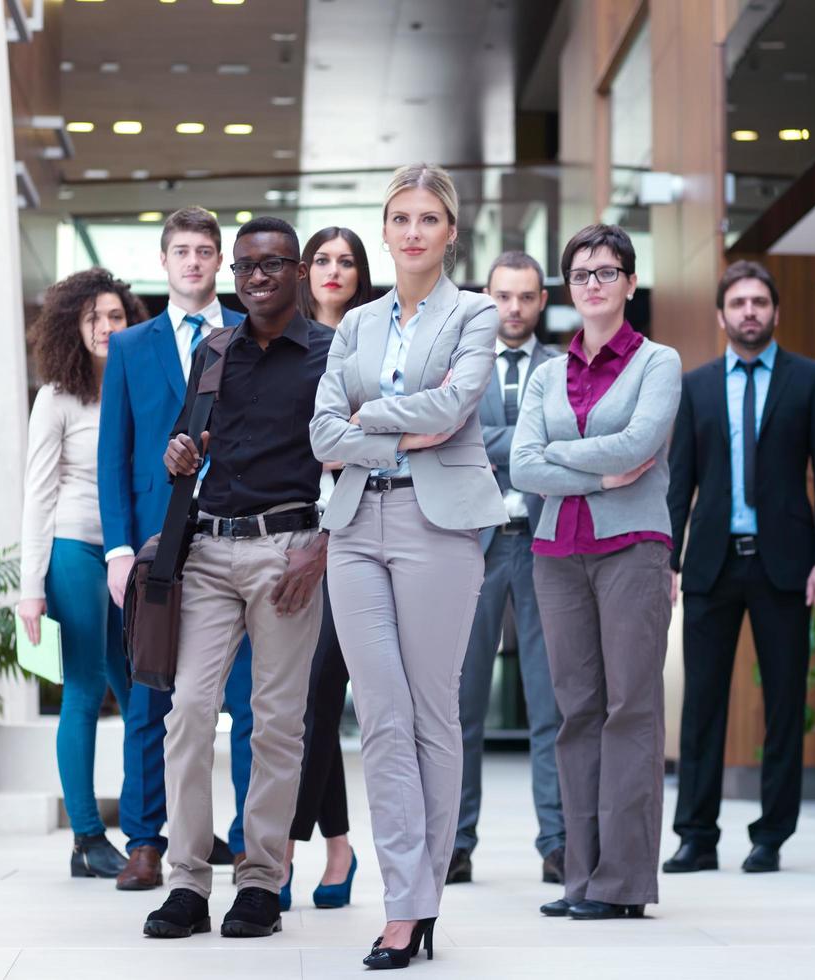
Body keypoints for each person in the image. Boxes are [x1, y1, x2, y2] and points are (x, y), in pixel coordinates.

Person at [311, 163, 507, 970]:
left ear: (450, 231)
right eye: (400, 218)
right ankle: (403, 906)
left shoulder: (476, 313)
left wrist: (371, 417)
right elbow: (323, 435)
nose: (414, 231)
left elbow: (455, 406)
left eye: (429, 218)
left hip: (440, 526)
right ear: (385, 230)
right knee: (381, 718)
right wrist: (393, 431)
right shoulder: (353, 325)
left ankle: (418, 905)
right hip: (354, 524)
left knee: (432, 717)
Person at [144, 217, 332, 941]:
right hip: (208, 553)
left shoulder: (328, 353)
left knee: (278, 723)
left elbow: (355, 461)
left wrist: (321, 546)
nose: (256, 277)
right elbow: (193, 445)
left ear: (297, 272)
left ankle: (259, 881)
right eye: (246, 267)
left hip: (287, 553)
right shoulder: (215, 349)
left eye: (272, 265)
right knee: (188, 712)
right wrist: (180, 454)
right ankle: (187, 882)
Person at [511, 223, 681, 922]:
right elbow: (521, 464)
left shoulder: (657, 362)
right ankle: (580, 877)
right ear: (566, 288)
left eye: (606, 272)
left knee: (629, 710)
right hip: (555, 553)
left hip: (633, 550)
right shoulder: (545, 373)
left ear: (630, 283)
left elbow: (641, 442)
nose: (593, 285)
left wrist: (562, 462)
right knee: (574, 713)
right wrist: (604, 477)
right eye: (580, 274)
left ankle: (623, 883)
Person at [663, 259, 815, 876]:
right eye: (738, 303)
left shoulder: (810, 379)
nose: (749, 312)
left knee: (785, 705)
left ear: (775, 312)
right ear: (721, 316)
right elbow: (679, 481)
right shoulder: (697, 386)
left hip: (787, 567)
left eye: (759, 302)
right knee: (702, 707)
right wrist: (668, 560)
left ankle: (771, 835)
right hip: (711, 566)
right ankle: (696, 836)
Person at [97, 207, 253, 890]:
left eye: (204, 251)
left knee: (248, 700)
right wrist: (118, 551)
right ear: (162, 262)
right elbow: (113, 457)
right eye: (181, 251)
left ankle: (251, 844)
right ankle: (144, 840)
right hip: (156, 543)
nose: (193, 262)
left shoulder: (252, 336)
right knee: (149, 694)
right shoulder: (130, 348)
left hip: (240, 532)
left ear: (219, 262)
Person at [17, 268, 149, 879]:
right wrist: (30, 590)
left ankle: (147, 827)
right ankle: (87, 838)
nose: (104, 327)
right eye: (92, 317)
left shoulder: (137, 388)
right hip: (74, 547)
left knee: (142, 689)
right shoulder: (56, 397)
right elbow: (37, 497)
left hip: (133, 555)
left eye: (115, 316)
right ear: (74, 326)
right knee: (86, 685)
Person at [447, 250, 565, 888]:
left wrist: (504, 444)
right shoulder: (461, 366)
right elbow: (453, 437)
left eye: (525, 297)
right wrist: (529, 441)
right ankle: (458, 845)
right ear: (484, 298)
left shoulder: (563, 367)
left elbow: (567, 440)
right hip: (474, 546)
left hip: (545, 544)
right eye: (502, 297)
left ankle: (559, 843)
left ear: (541, 301)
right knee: (462, 704)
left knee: (553, 702)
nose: (513, 309)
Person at [278, 227, 375, 912]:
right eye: (323, 261)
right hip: (286, 535)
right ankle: (338, 845)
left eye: (347, 262)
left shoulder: (374, 342)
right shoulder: (285, 342)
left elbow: (365, 443)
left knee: (317, 693)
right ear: (305, 272)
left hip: (355, 532)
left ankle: (280, 849)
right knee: (305, 703)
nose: (333, 271)